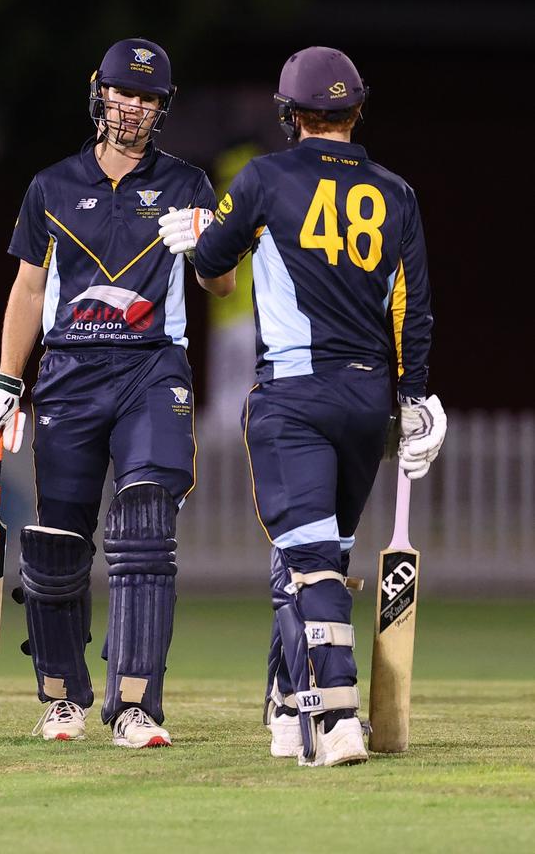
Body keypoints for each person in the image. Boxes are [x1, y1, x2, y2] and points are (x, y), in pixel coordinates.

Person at [159, 46, 446, 767]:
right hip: (365, 399)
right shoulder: (398, 192)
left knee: (311, 563)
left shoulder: (263, 176)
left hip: (295, 396)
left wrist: (198, 238)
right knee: (309, 556)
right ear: (357, 109)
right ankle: (289, 710)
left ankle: (339, 716)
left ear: (290, 115)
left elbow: (215, 262)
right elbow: (413, 308)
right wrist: (413, 398)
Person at [0, 37, 235, 746]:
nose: (134, 108)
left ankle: (136, 705)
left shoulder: (188, 185)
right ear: (99, 94)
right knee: (58, 542)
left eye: (148, 98)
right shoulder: (51, 186)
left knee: (146, 525)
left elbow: (221, 285)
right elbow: (27, 289)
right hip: (69, 373)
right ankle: (61, 699)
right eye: (124, 93)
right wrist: (4, 384)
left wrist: (209, 243)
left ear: (162, 108)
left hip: (153, 368)